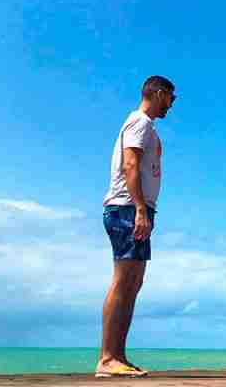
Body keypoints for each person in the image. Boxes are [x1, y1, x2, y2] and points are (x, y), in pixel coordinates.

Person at [95, 76, 176, 378]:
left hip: (137, 209)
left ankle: (117, 356)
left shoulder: (148, 127)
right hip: (127, 208)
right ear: (157, 93)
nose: (171, 104)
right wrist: (140, 208)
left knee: (133, 283)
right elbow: (130, 164)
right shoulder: (139, 123)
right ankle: (107, 358)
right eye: (171, 97)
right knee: (123, 280)